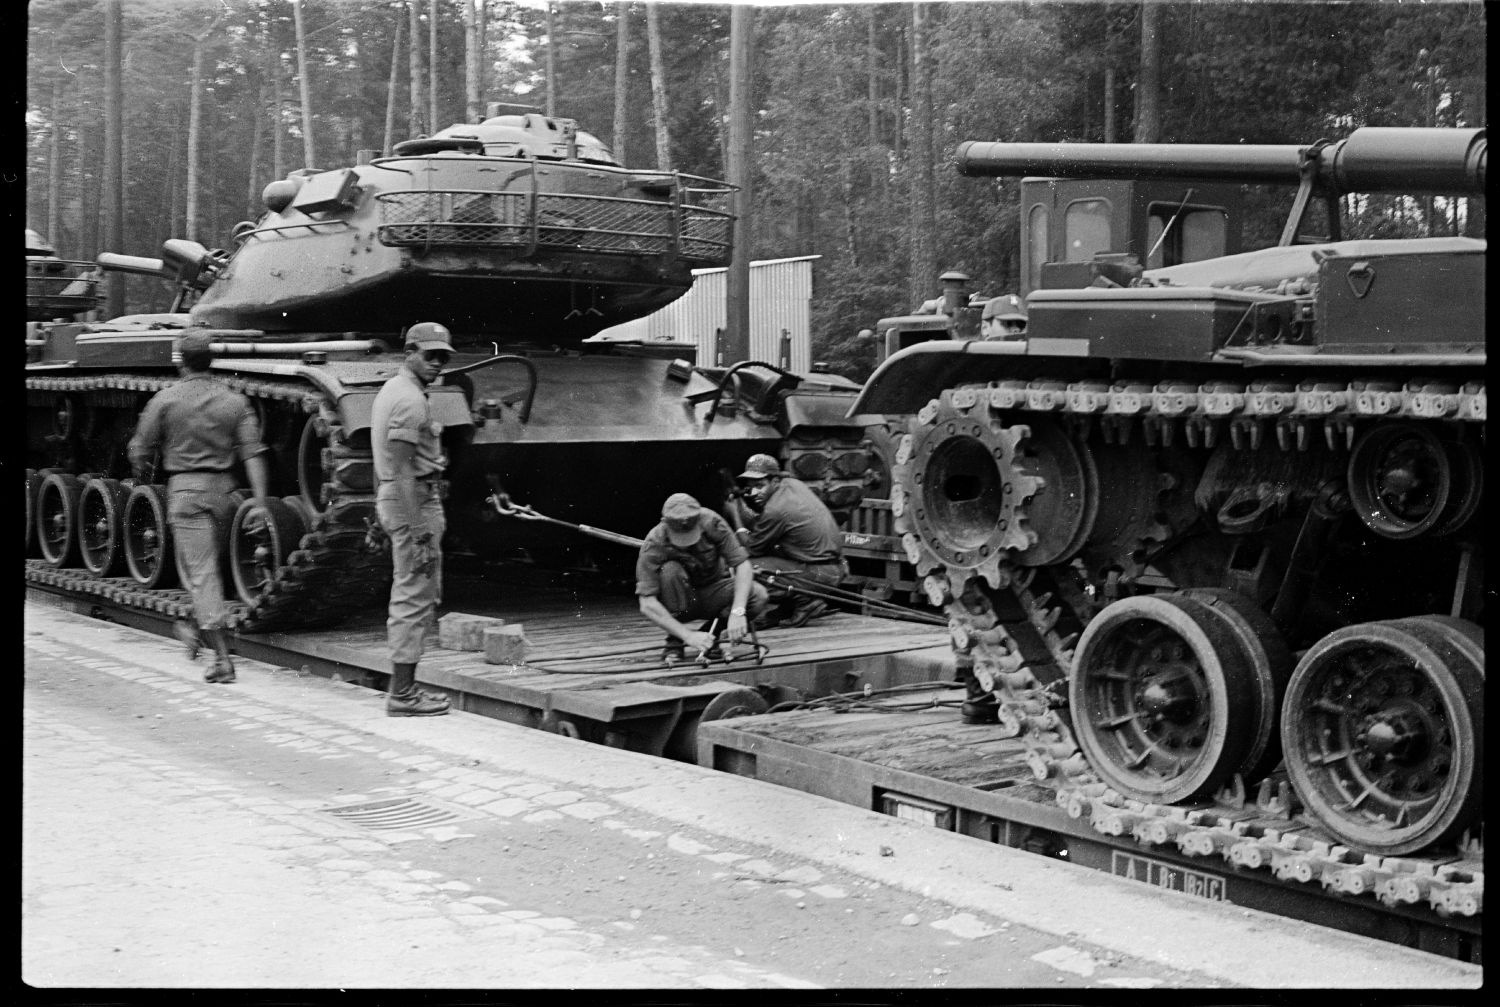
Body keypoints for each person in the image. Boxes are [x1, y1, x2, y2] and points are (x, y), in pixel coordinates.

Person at [128, 332, 270, 684]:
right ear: (211, 360)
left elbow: (140, 448)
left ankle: (222, 660)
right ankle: (195, 626)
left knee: (201, 571)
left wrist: (142, 472)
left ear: (181, 360)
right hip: (225, 492)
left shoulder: (164, 400)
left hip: (186, 492)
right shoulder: (233, 401)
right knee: (206, 569)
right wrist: (261, 502)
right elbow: (253, 453)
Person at [371, 322, 457, 717]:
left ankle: (405, 689)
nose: (438, 363)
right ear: (410, 351)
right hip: (414, 501)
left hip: (403, 499)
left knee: (414, 593)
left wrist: (381, 512)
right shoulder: (410, 400)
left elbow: (386, 465)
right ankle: (403, 694)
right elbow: (402, 469)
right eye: (430, 355)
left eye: (443, 357)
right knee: (413, 597)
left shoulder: (394, 389)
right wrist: (419, 530)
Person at [637, 493, 769, 662]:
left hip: (713, 592)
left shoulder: (713, 522)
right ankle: (675, 640)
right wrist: (687, 635)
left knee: (758, 595)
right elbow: (647, 603)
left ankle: (711, 636)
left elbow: (742, 565)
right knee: (670, 571)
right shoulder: (654, 542)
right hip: (678, 602)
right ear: (665, 523)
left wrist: (738, 611)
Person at [727, 453, 845, 628]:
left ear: (775, 481)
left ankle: (805, 600)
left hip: (819, 574)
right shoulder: (793, 484)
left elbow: (751, 548)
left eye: (760, 486)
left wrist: (734, 512)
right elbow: (764, 524)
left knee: (744, 567)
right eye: (750, 487)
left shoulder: (775, 510)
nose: (754, 492)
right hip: (836, 567)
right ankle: (794, 604)